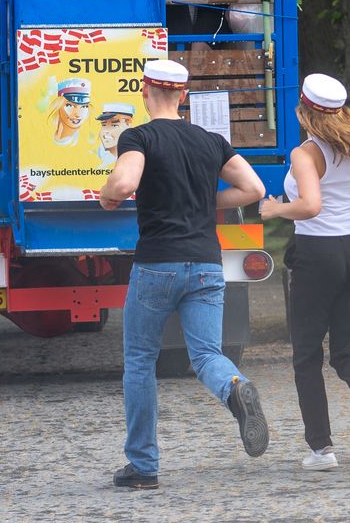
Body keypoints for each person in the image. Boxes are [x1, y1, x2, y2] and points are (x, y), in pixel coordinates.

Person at [98, 59, 268, 490]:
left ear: (144, 91)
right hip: (207, 263)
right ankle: (236, 387)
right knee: (206, 355)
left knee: (139, 360)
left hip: (158, 263)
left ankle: (143, 465)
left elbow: (123, 184)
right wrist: (207, 203)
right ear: (184, 95)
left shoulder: (139, 136)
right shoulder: (210, 141)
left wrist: (107, 195)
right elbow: (254, 189)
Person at [258, 74, 350, 471]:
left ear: (303, 109)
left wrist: (275, 210)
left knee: (307, 354)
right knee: (349, 350)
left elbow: (310, 206)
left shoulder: (306, 153)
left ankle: (322, 450)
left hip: (315, 255)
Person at [48, 79, 91, 147]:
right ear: (58, 106)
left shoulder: (87, 142)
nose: (77, 114)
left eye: (84, 106)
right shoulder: (44, 135)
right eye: (69, 105)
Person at [95, 103, 134, 168]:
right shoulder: (102, 163)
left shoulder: (135, 160)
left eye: (114, 125)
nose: (106, 131)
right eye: (104, 125)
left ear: (128, 126)